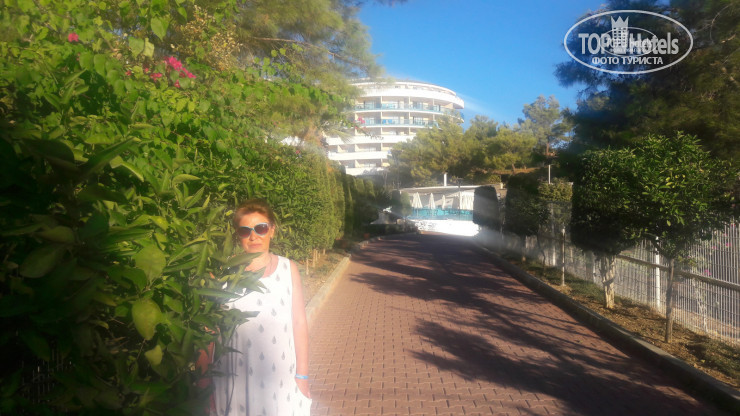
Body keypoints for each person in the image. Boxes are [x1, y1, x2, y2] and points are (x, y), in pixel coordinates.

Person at [212, 199, 311, 416]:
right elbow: (208, 328)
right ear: (238, 235)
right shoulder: (222, 272)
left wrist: (302, 376)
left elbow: (299, 323)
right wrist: (204, 383)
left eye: (261, 228)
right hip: (232, 378)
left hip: (280, 380)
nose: (254, 236)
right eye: (245, 231)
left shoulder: (288, 269)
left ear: (272, 230)